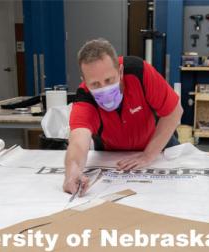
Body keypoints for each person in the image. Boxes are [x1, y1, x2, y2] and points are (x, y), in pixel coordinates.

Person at [63, 38, 183, 195]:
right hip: (114, 156)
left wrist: (148, 155)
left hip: (158, 146)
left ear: (120, 71)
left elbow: (175, 112)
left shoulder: (140, 72)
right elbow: (78, 142)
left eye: (109, 80)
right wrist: (72, 172)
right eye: (95, 84)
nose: (104, 88)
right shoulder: (84, 98)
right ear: (84, 82)